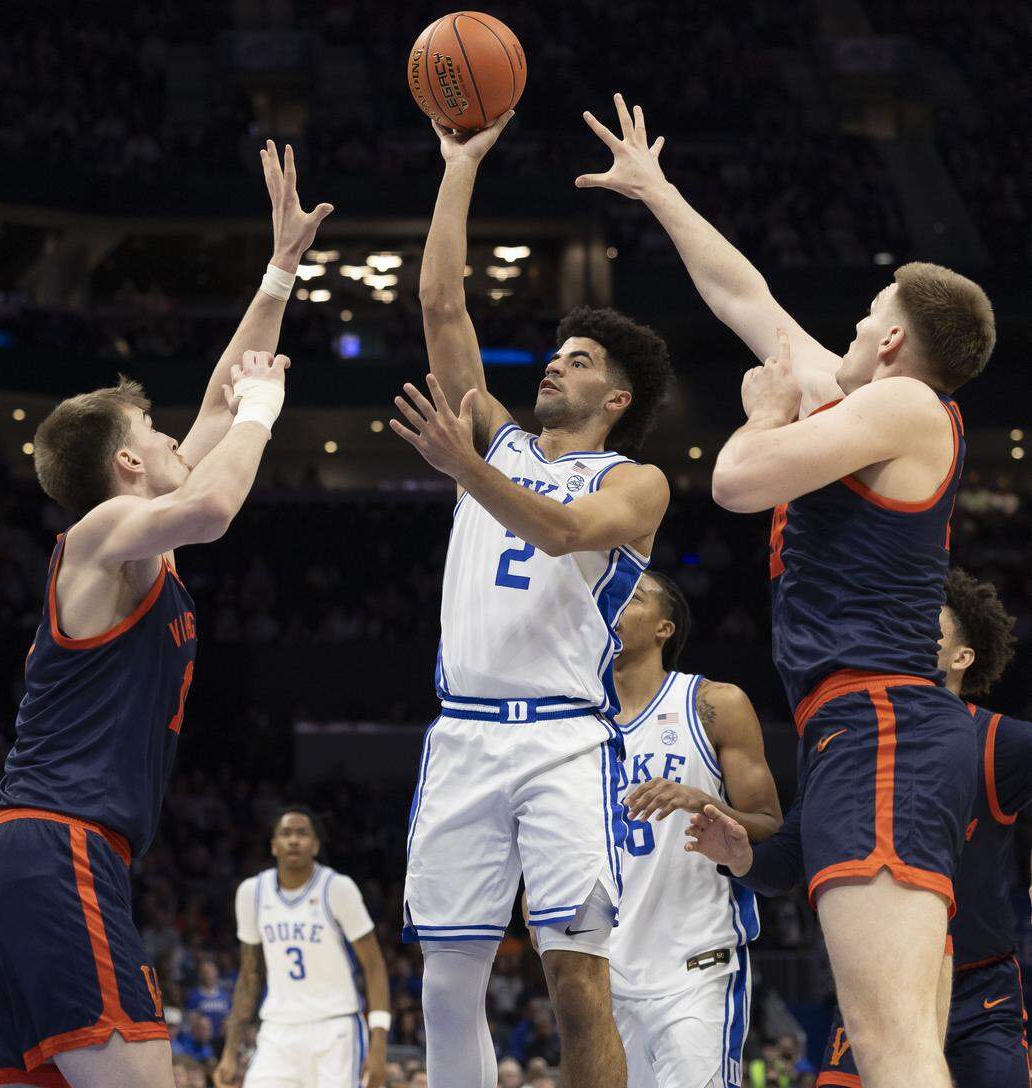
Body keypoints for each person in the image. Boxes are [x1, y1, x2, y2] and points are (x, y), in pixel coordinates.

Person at [579, 91, 996, 1088]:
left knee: (892, 1043)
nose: (847, 328)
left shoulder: (902, 403)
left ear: (895, 342)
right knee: (896, 1037)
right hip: (855, 729)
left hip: (880, 722)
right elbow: (747, 298)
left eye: (866, 317)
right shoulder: (868, 403)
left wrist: (762, 413)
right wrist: (659, 190)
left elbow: (731, 480)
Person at [0, 142, 333, 1088]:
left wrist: (278, 269)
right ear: (128, 465)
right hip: (59, 848)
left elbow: (218, 388)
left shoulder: (132, 540)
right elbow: (215, 497)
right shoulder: (102, 533)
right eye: (156, 434)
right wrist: (266, 410)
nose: (177, 435)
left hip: (31, 855)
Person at [392, 109, 675, 1088]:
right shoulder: (500, 442)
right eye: (557, 352)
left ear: (616, 398)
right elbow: (439, 306)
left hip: (563, 738)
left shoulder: (635, 482)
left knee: (574, 982)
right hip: (464, 733)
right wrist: (459, 163)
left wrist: (465, 467)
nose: (557, 360)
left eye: (581, 359)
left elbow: (559, 534)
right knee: (446, 977)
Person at [686, 569, 1028, 1087]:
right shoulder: (845, 739)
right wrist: (741, 859)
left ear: (962, 658)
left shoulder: (998, 741)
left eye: (924, 623)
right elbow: (782, 865)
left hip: (980, 992)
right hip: (879, 979)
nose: (903, 630)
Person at [610, 572, 781, 1088]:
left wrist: (705, 802)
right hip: (603, 974)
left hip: (696, 967)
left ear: (665, 627)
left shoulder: (713, 705)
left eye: (631, 595)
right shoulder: (574, 720)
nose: (613, 601)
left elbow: (772, 825)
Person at [214, 806, 390, 1088]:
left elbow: (374, 965)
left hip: (336, 1027)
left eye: (302, 833)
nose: (294, 840)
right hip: (277, 1030)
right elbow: (249, 975)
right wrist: (230, 1051)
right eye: (285, 833)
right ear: (274, 846)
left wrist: (379, 1043)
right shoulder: (252, 893)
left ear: (316, 845)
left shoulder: (337, 888)